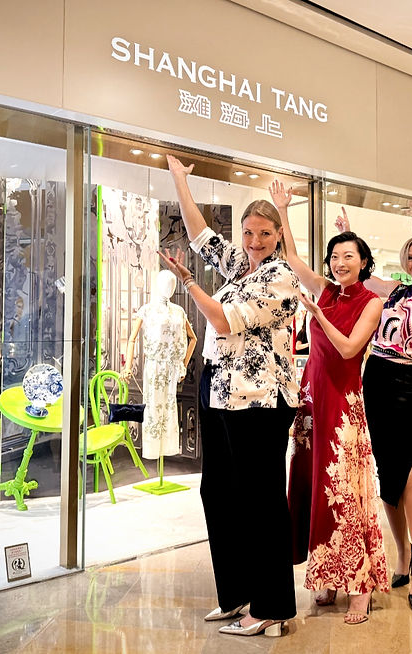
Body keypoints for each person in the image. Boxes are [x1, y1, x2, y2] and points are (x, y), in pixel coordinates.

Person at [157, 155, 300, 638]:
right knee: (218, 492)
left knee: (261, 500)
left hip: (260, 401)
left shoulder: (281, 276)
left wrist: (191, 283)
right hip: (220, 390)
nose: (255, 242)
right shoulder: (242, 265)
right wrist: (180, 181)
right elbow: (201, 236)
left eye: (264, 233)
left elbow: (221, 320)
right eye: (249, 233)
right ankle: (237, 595)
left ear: (278, 234)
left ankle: (274, 607)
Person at [269, 182, 388, 626]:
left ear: (363, 263)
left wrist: (316, 315)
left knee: (346, 492)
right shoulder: (323, 289)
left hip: (344, 405)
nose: (340, 264)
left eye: (349, 257)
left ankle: (360, 587)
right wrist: (284, 210)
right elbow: (296, 260)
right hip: (312, 400)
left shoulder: (371, 303)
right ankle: (330, 574)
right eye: (335, 257)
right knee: (313, 489)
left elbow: (348, 350)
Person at [337, 209, 412, 612]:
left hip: (407, 384)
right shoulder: (395, 291)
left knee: (407, 472)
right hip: (374, 379)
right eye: (411, 257)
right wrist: (345, 233)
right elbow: (362, 273)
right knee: (387, 472)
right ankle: (401, 556)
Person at [122, 270, 197, 458]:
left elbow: (192, 338)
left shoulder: (178, 311)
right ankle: (153, 449)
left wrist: (183, 364)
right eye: (166, 283)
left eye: (172, 284)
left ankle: (169, 448)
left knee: (170, 408)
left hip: (172, 368)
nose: (169, 288)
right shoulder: (147, 310)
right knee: (153, 407)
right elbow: (131, 339)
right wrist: (127, 366)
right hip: (154, 366)